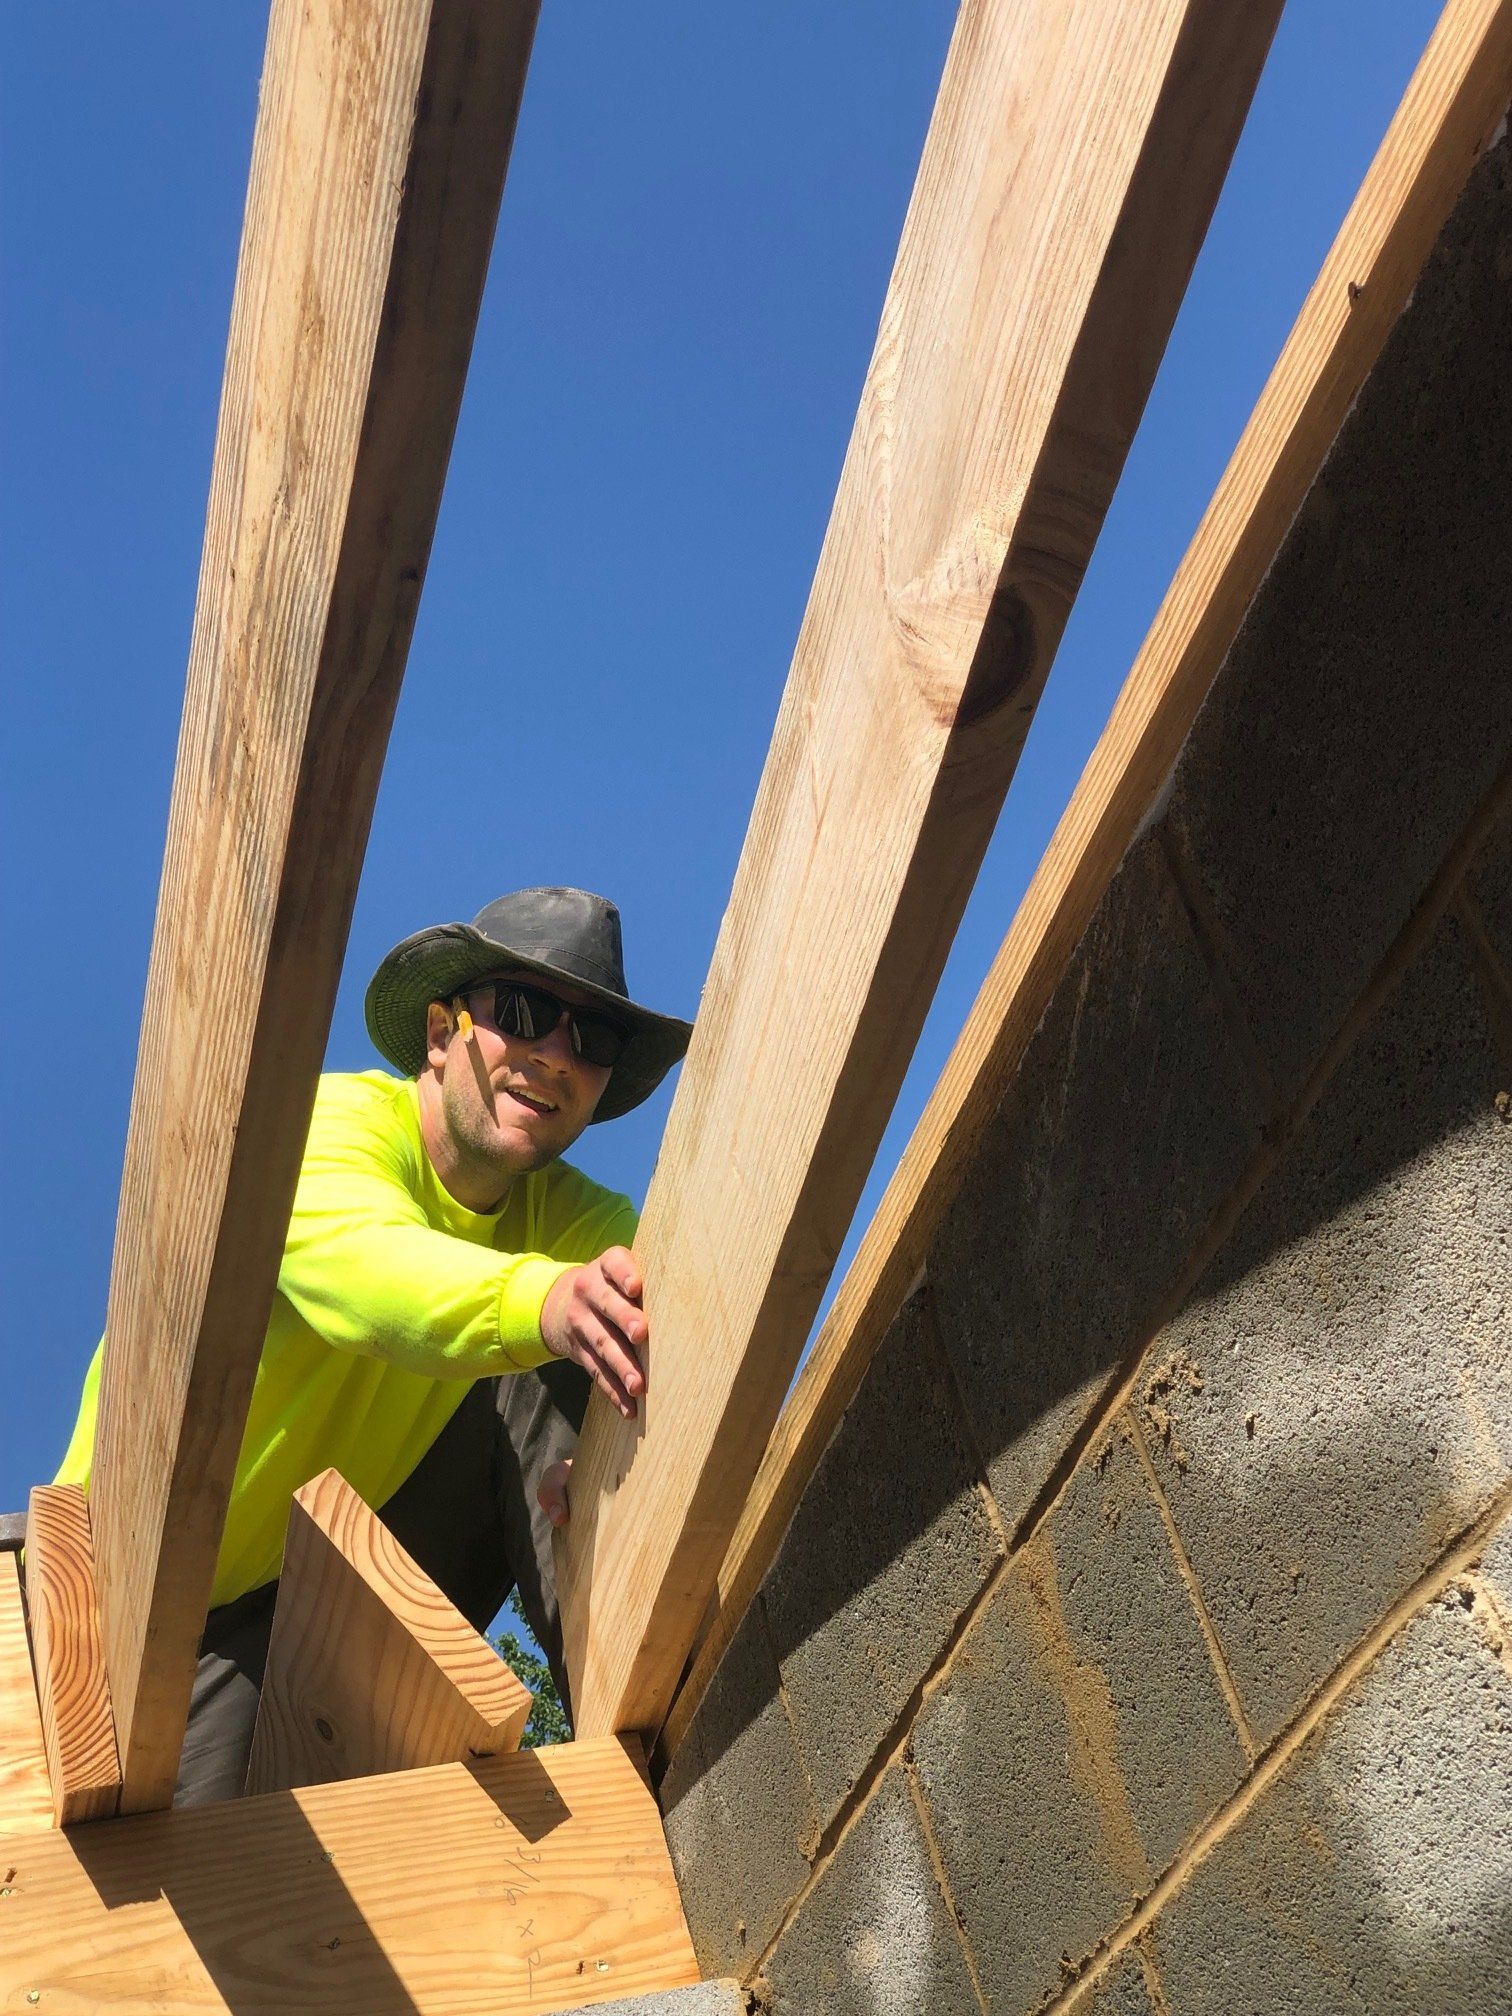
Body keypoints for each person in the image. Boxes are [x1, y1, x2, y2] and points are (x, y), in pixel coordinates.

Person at [55, 886, 691, 1804]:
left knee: (597, 1338)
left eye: (591, 1042)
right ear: (441, 1034)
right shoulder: (327, 1127)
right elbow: (366, 1273)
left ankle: (647, 1744)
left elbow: (669, 1313)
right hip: (127, 1601)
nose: (556, 1055)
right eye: (523, 1014)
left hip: (313, 1603)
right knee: (171, 1887)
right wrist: (544, 1300)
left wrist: (601, 1469)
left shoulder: (575, 1224)